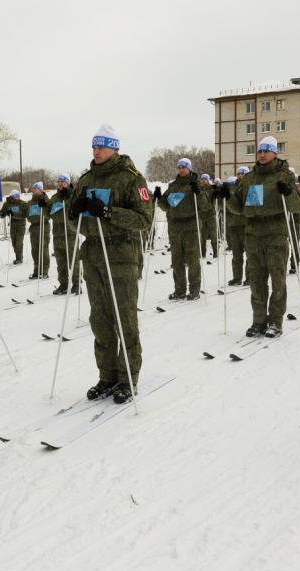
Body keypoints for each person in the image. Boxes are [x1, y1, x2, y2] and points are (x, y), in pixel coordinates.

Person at [69, 123, 152, 404]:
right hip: (93, 255)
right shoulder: (85, 179)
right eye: (94, 146)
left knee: (124, 318)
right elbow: (75, 224)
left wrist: (107, 212)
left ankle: (127, 377)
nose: (97, 151)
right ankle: (107, 376)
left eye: (102, 146)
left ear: (114, 148)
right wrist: (74, 212)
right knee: (100, 321)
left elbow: (144, 219)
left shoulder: (131, 178)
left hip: (121, 255)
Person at [227, 136, 300, 338]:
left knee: (277, 280)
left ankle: (275, 321)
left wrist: (288, 192)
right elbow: (238, 207)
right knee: (256, 281)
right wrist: (228, 197)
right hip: (253, 234)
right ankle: (258, 320)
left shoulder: (284, 175)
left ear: (274, 153)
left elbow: (298, 206)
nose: (262, 155)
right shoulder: (249, 178)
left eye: (266, 151)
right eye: (259, 151)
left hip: (275, 233)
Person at [157, 158, 203, 300]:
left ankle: (194, 290)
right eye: (179, 167)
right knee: (176, 261)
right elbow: (166, 206)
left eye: (184, 167)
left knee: (192, 260)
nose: (181, 169)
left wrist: (198, 193)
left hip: (191, 227)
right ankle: (179, 290)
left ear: (189, 168)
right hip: (175, 227)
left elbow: (204, 205)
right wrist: (159, 198)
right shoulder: (173, 186)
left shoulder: (195, 184)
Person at [48, 173, 81, 294]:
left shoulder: (73, 196)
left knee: (73, 259)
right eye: (59, 181)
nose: (61, 183)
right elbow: (47, 214)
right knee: (60, 261)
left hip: (70, 232)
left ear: (68, 182)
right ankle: (63, 284)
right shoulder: (54, 198)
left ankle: (76, 283)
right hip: (58, 234)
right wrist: (44, 206)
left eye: (63, 181)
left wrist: (68, 200)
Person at [225, 167, 249, 285]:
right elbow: (226, 206)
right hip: (234, 224)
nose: (240, 176)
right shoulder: (232, 187)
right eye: (238, 173)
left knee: (250, 253)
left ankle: (250, 277)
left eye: (242, 173)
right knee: (236, 254)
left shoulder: (250, 186)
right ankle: (237, 277)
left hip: (246, 224)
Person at [27, 181, 51, 280]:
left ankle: (44, 271)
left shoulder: (45, 200)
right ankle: (37, 270)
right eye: (33, 188)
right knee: (35, 250)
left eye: (35, 188)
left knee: (43, 249)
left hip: (43, 226)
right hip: (33, 227)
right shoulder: (30, 202)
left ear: (40, 190)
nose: (33, 190)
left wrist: (45, 205)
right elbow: (28, 214)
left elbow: (49, 213)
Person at [0, 190, 28, 264]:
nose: (17, 197)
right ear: (12, 196)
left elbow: (25, 214)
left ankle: (19, 258)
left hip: (21, 225)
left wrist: (14, 215)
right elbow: (2, 213)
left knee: (19, 243)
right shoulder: (7, 204)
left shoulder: (22, 203)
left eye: (18, 195)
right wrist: (4, 213)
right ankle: (18, 257)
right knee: (14, 243)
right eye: (15, 195)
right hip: (13, 225)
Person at [198, 173, 219, 259]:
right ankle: (203, 252)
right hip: (201, 215)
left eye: (205, 179)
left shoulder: (212, 188)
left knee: (213, 234)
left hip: (211, 214)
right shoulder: (198, 189)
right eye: (202, 179)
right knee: (202, 235)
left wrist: (217, 190)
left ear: (208, 180)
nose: (203, 180)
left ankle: (215, 252)